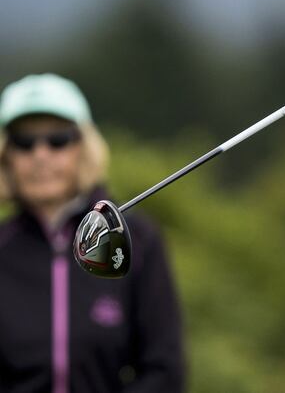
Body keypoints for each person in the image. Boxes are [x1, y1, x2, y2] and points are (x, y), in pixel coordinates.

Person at [0, 74, 184, 393]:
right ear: (7, 156)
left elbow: (164, 369)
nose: (40, 155)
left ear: (83, 148)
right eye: (24, 142)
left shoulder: (137, 239)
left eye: (58, 139)